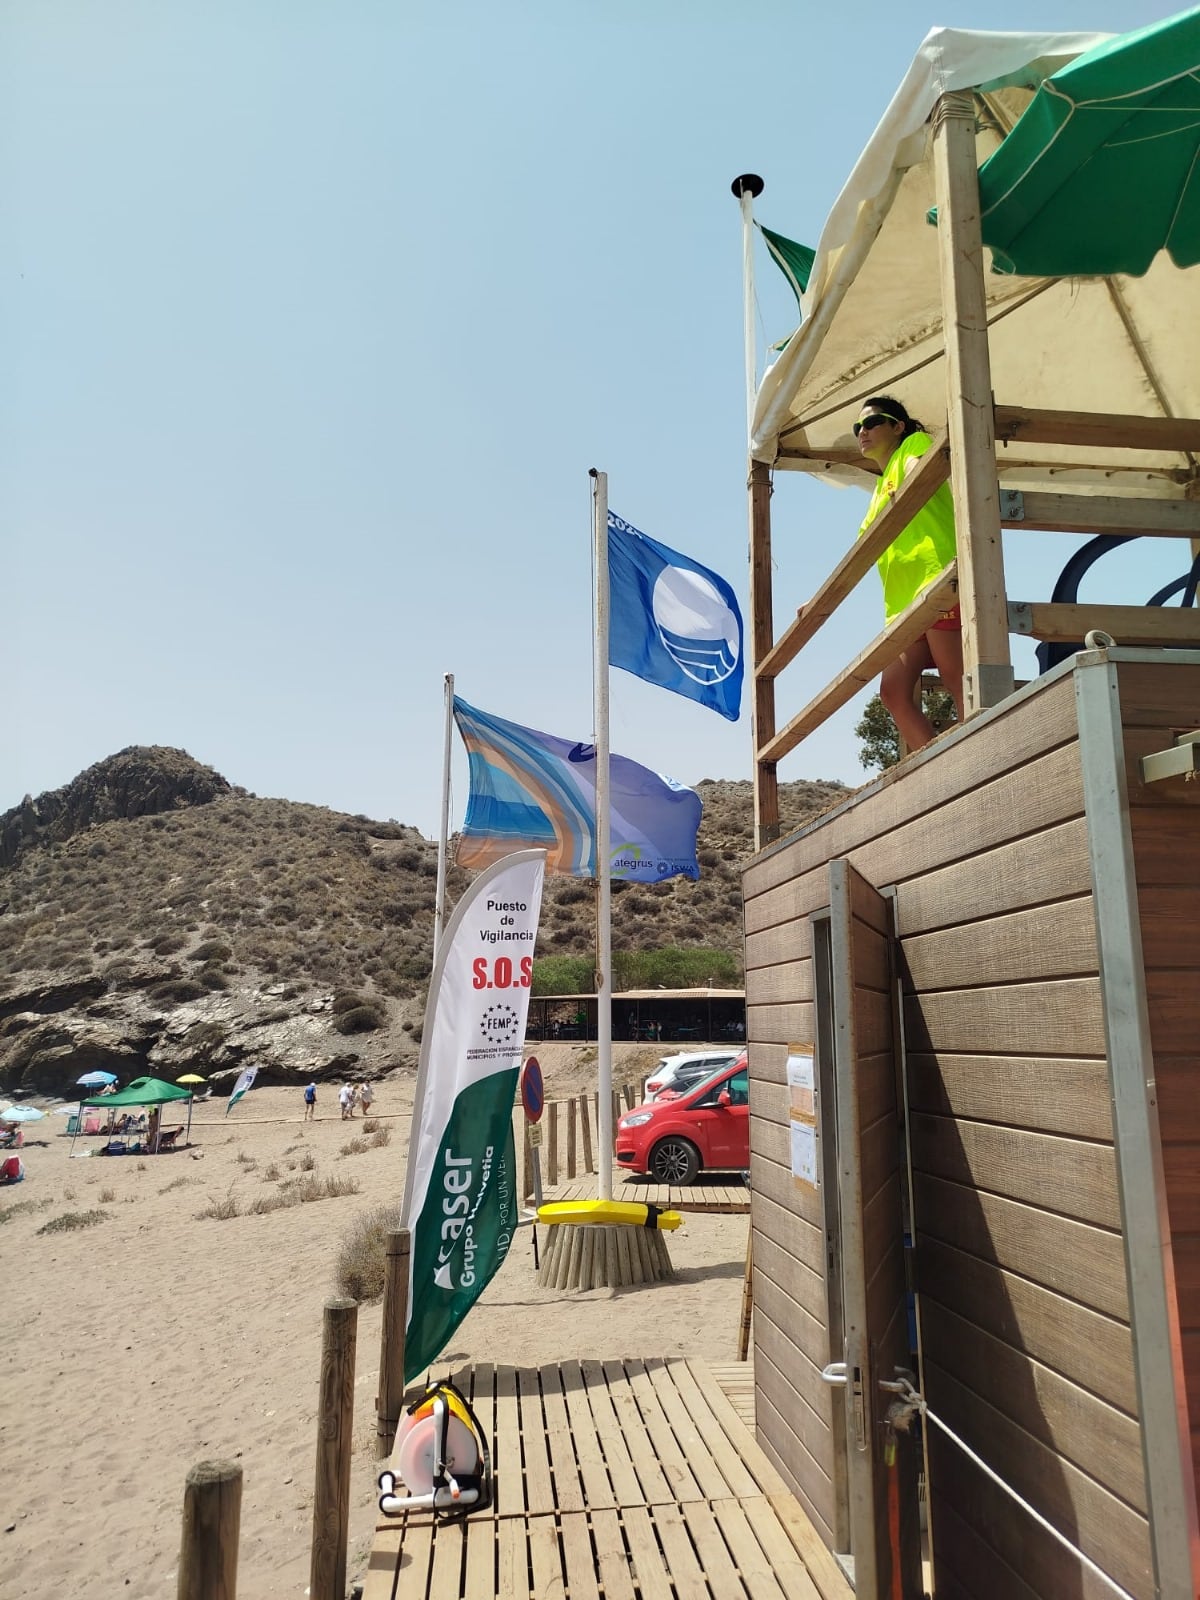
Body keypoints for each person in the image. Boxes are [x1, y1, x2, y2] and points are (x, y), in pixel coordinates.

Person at [855, 395, 964, 751]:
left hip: (934, 581)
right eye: (859, 427)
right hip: (903, 605)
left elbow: (925, 471)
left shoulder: (914, 444)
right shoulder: (878, 489)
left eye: (871, 423)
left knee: (956, 677)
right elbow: (860, 552)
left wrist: (916, 465)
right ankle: (939, 768)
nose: (863, 432)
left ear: (897, 427)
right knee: (893, 692)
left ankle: (982, 758)